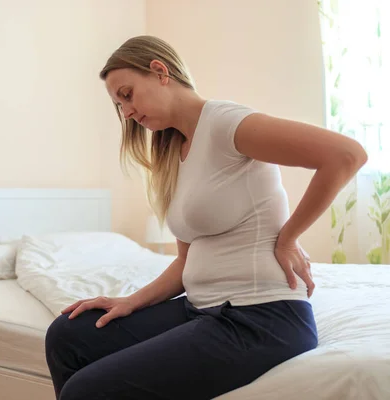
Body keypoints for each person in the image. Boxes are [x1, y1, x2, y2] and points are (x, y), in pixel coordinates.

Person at [44, 35, 367, 400]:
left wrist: (288, 237)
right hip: (199, 308)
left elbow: (346, 155)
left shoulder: (226, 122)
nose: (127, 112)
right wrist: (131, 301)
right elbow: (185, 261)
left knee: (87, 391)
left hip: (259, 318)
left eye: (128, 94)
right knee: (67, 336)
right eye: (120, 105)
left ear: (160, 71)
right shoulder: (174, 152)